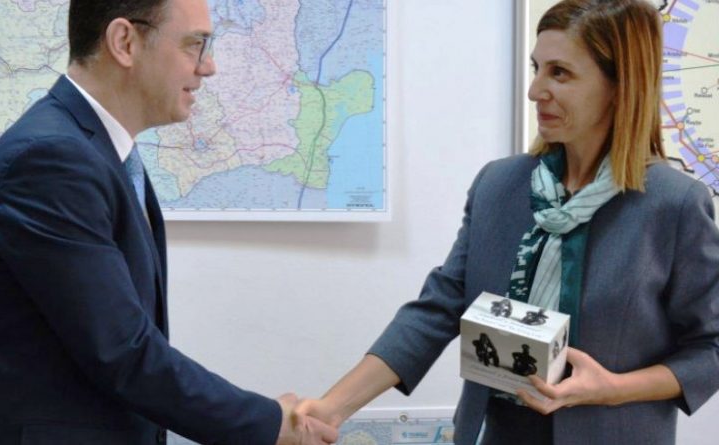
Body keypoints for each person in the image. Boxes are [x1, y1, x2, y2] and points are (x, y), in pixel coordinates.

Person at [296, 1, 719, 444]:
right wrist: (331, 408)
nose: (536, 90)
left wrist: (612, 389)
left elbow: (709, 348)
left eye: (559, 73)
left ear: (620, 85)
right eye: (537, 68)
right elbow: (439, 308)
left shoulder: (674, 204)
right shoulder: (499, 185)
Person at [0, 1, 337, 444]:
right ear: (124, 43)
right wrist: (267, 423)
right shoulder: (51, 160)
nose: (208, 67)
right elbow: (122, 352)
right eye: (194, 44)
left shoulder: (96, 151)